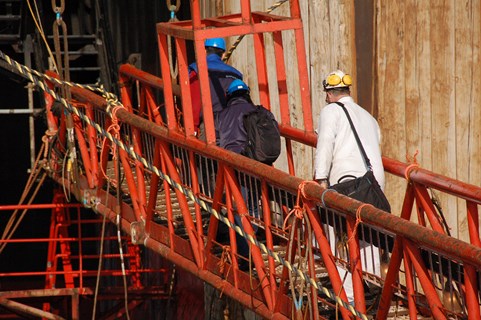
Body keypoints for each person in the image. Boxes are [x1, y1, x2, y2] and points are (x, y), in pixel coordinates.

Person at [313, 69, 385, 304]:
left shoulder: (330, 111)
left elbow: (325, 143)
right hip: (373, 182)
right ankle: (372, 286)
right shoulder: (368, 116)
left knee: (339, 235)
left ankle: (349, 295)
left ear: (329, 93)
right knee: (369, 236)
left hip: (347, 181)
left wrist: (321, 180)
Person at [217, 79, 259, 269]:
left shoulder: (222, 114)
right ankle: (255, 246)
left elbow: (217, 139)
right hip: (252, 164)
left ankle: (245, 255)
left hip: (232, 166)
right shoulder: (255, 111)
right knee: (253, 208)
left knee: (237, 208)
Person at [188, 37, 243, 139]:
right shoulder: (236, 74)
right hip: (233, 126)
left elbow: (194, 102)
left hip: (209, 127)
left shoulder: (196, 71)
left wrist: (193, 128)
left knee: (206, 154)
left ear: (205, 51)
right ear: (222, 55)